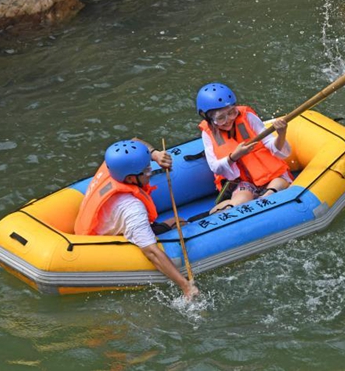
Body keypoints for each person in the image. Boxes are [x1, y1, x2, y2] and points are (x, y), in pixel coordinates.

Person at [74, 139, 199, 300]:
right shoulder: (131, 208)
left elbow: (133, 141)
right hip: (105, 246)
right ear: (132, 179)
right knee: (180, 222)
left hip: (95, 228)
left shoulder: (113, 166)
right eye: (147, 170)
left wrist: (155, 154)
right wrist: (185, 286)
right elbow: (152, 253)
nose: (150, 172)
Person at [196, 83, 293, 214]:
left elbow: (271, 144)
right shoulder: (208, 133)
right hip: (243, 182)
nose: (228, 120)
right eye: (221, 118)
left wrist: (281, 134)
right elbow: (215, 167)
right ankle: (228, 208)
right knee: (241, 199)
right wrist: (234, 156)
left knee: (277, 184)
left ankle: (263, 200)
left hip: (272, 176)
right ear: (208, 118)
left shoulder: (247, 117)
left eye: (231, 112)